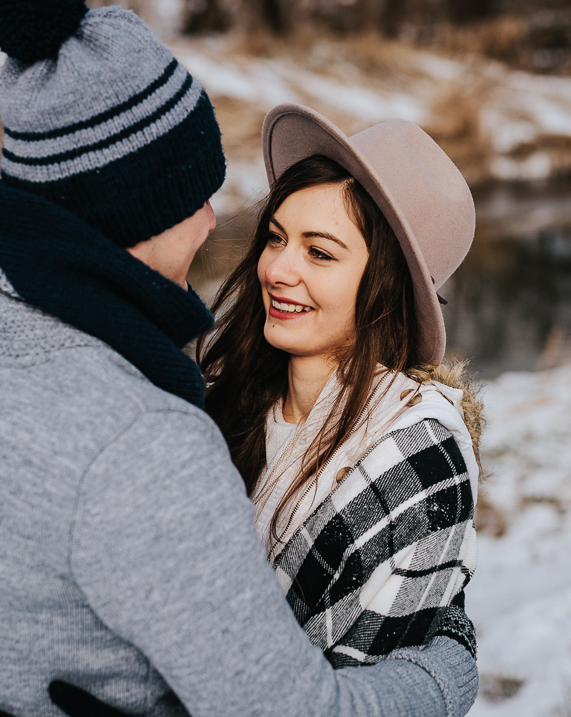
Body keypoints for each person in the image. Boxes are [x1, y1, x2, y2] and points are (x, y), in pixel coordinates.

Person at [0, 0, 478, 717]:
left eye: (321, 250)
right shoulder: (145, 435)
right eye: (195, 195)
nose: (212, 224)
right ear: (139, 205)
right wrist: (449, 670)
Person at [199, 105, 481, 668]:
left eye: (319, 252)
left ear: (386, 287)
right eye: (277, 238)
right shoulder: (216, 398)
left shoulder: (417, 463)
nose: (277, 270)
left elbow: (355, 690)